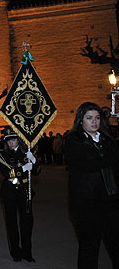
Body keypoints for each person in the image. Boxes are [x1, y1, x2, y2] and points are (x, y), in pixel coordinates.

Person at [64, 102, 119, 269]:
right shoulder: (74, 141)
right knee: (90, 248)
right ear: (81, 120)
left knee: (116, 246)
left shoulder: (107, 139)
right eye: (89, 118)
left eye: (97, 118)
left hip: (112, 202)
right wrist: (112, 156)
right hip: (87, 205)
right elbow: (88, 164)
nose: (94, 122)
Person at [0, 127, 37, 262]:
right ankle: (15, 251)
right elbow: (7, 172)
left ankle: (27, 251)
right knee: (11, 222)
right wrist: (23, 168)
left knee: (27, 222)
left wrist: (34, 160)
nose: (11, 143)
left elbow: (37, 171)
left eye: (13, 140)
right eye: (8, 141)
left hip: (25, 190)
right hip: (9, 191)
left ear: (18, 140)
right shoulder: (1, 154)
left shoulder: (26, 153)